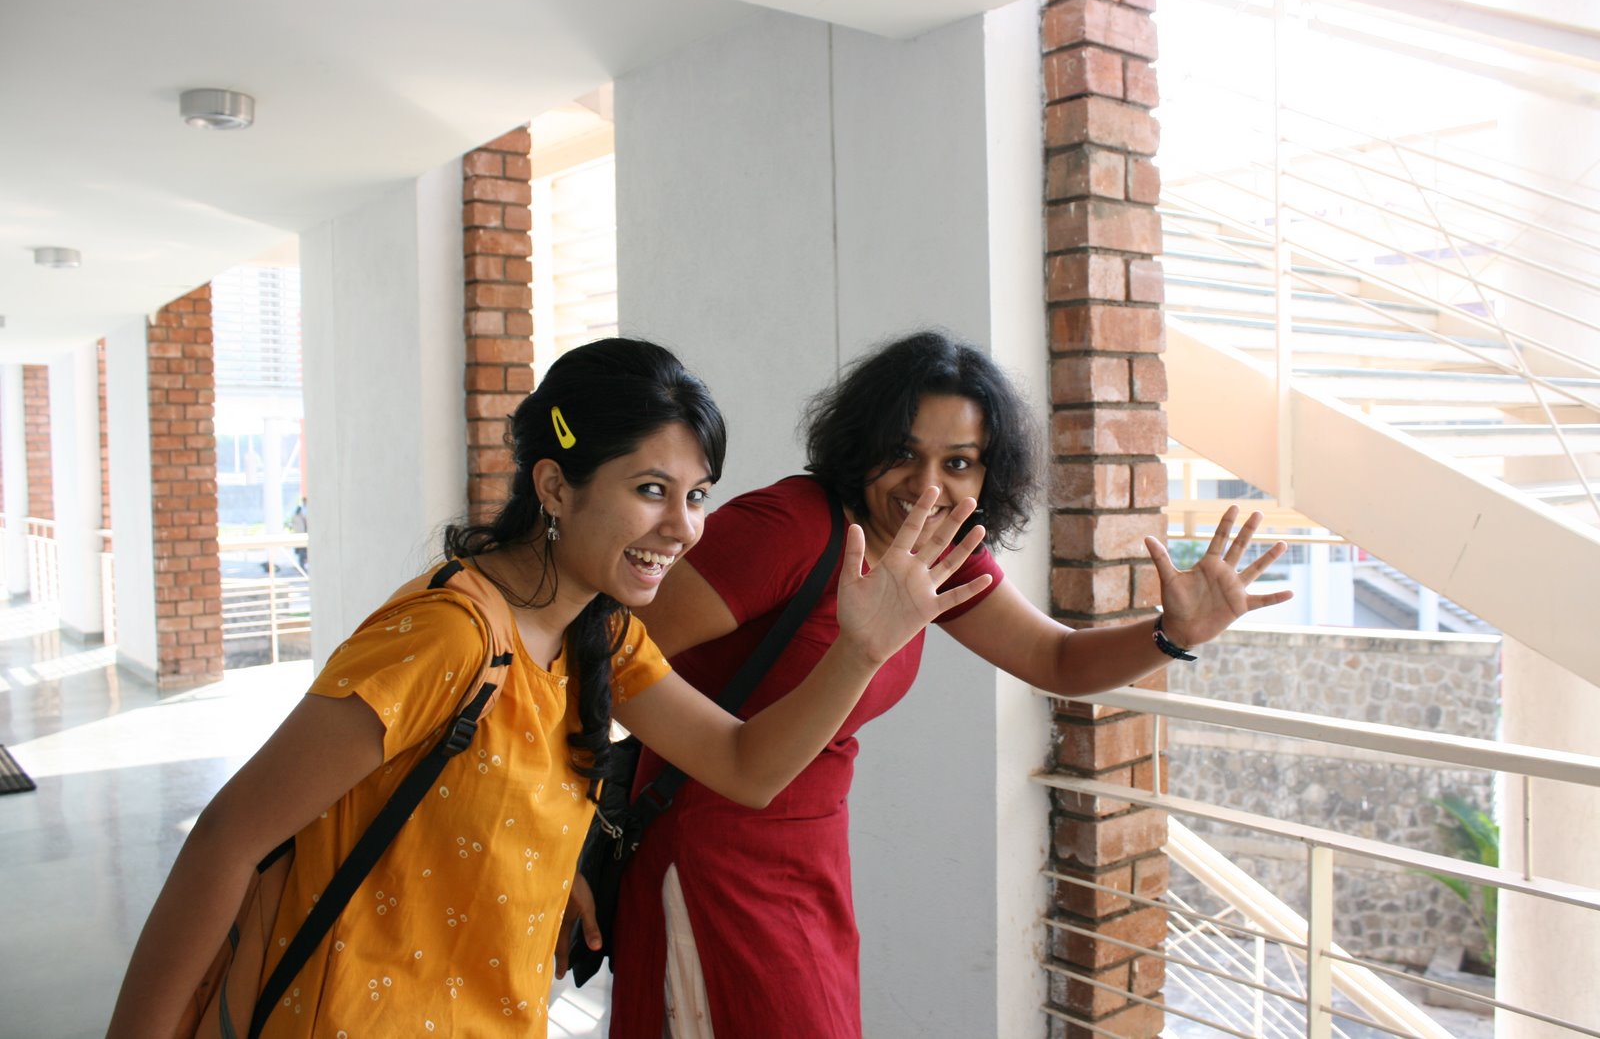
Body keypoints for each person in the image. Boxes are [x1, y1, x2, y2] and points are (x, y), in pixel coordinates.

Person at [105, 338, 993, 1039]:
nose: (683, 529)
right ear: (555, 486)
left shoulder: (601, 636)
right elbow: (228, 838)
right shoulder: (450, 635)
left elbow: (744, 766)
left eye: (697, 496)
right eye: (651, 490)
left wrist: (861, 650)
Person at [603, 331, 1292, 1039]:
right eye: (903, 453)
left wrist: (1172, 633)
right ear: (862, 444)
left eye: (958, 462)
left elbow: (1056, 660)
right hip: (708, 849)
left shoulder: (942, 551)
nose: (927, 486)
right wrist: (563, 833)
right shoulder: (790, 528)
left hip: (810, 855)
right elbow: (599, 654)